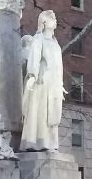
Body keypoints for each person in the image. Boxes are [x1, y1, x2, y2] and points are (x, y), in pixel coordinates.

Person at [20, 10, 65, 152]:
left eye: (55, 18)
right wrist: (32, 76)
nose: (55, 20)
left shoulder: (55, 43)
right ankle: (36, 142)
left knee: (52, 113)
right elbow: (34, 58)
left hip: (54, 83)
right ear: (44, 22)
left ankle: (51, 142)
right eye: (52, 18)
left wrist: (61, 84)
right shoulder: (38, 39)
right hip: (42, 80)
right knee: (40, 112)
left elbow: (59, 66)